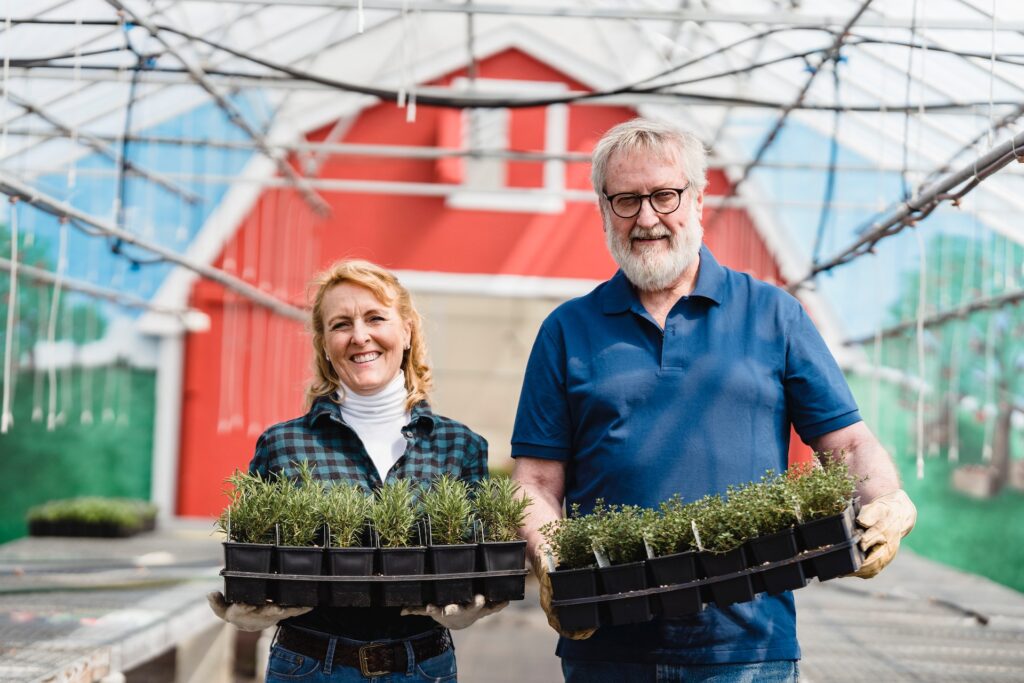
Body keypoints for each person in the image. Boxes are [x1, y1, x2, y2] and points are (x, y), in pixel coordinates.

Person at [511, 118, 917, 682]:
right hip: (609, 647)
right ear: (604, 210)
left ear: (699, 199)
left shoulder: (773, 314)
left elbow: (845, 441)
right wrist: (552, 558)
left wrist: (887, 498)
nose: (646, 217)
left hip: (748, 649)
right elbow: (535, 480)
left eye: (664, 196)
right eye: (626, 199)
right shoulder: (567, 330)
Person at [208, 259, 505, 682]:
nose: (360, 336)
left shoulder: (459, 447)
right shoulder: (284, 445)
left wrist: (472, 604)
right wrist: (248, 609)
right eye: (341, 324)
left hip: (422, 667)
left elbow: (477, 561)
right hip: (308, 666)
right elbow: (253, 555)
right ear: (325, 343)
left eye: (375, 318)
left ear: (406, 331)